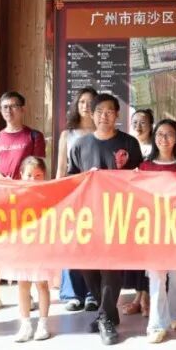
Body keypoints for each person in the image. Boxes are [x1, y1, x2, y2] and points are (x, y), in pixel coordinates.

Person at [67, 93, 144, 345]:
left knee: (111, 267)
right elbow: (71, 180)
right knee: (88, 266)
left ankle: (105, 318)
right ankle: (107, 313)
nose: (104, 116)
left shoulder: (129, 143)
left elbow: (140, 178)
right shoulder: (80, 145)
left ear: (117, 115)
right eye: (99, 111)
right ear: (91, 114)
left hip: (118, 215)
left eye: (110, 111)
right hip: (88, 216)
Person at [0, 91, 46, 315]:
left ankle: (28, 295)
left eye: (14, 106)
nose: (9, 110)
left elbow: (39, 167)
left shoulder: (34, 136)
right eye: (5, 107)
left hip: (26, 202)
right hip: (0, 199)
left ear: (23, 109)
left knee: (25, 248)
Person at [138, 119, 176, 343]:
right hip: (153, 229)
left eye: (169, 134)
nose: (164, 138)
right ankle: (156, 324)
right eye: (159, 134)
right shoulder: (144, 167)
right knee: (157, 277)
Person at [1, 157, 60, 342]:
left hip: (41, 246)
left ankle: (43, 323)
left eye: (38, 176)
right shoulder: (15, 193)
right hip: (21, 247)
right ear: (21, 175)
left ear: (44, 176)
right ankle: (25, 324)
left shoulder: (48, 195)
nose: (33, 179)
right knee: (23, 284)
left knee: (42, 284)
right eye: (29, 175)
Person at [55, 87, 98, 313]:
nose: (86, 106)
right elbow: (61, 168)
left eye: (90, 102)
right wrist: (57, 195)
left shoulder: (102, 132)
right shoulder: (67, 134)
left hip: (96, 196)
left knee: (93, 243)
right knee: (71, 242)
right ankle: (72, 294)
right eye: (82, 102)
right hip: (72, 195)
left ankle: (93, 293)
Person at [122, 108, 156, 317]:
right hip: (132, 205)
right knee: (135, 254)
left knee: (150, 253)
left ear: (151, 125)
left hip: (153, 206)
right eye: (135, 122)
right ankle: (137, 297)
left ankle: (147, 297)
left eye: (143, 122)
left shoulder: (157, 146)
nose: (138, 126)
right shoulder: (127, 145)